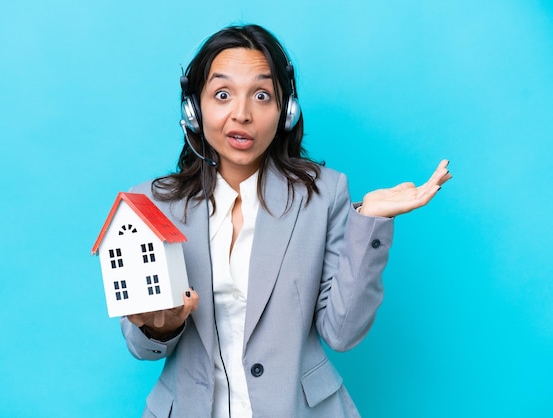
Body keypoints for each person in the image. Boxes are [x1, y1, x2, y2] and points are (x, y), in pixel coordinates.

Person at [120, 24, 451, 418]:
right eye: (222, 94)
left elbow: (342, 334)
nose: (241, 114)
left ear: (285, 110)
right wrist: (160, 327)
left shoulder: (324, 195)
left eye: (262, 95)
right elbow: (142, 348)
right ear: (193, 109)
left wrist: (370, 223)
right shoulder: (149, 205)